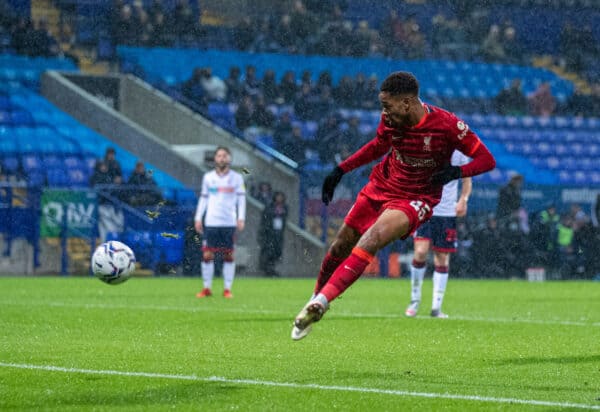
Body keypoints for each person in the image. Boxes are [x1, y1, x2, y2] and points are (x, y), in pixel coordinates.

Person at [291, 71, 495, 340]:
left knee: (372, 238)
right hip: (381, 185)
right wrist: (340, 170)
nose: (384, 112)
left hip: (416, 197)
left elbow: (486, 159)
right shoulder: (390, 118)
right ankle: (315, 298)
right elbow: (378, 145)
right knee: (341, 243)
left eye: (388, 105)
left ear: (408, 103)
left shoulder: (447, 125)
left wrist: (457, 173)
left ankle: (323, 302)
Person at [405, 150, 472, 319]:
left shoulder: (459, 153)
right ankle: (415, 300)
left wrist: (463, 200)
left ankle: (436, 307)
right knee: (420, 252)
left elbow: (467, 179)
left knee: (442, 257)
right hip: (425, 208)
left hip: (447, 212)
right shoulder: (427, 146)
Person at [194, 146, 246, 298]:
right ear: (215, 159)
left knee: (229, 255)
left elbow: (241, 199)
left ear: (229, 158)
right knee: (207, 255)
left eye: (225, 156)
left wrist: (241, 217)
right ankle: (207, 288)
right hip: (211, 221)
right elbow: (204, 198)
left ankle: (227, 289)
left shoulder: (237, 178)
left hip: (229, 221)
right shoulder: (208, 177)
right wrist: (198, 217)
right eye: (219, 156)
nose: (222, 158)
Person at [258, 191, 288, 277]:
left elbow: (285, 216)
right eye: (278, 196)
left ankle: (272, 269)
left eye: (281, 197)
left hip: (279, 234)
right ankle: (267, 270)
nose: (279, 198)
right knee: (268, 252)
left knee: (276, 252)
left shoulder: (284, 207)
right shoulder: (269, 207)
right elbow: (265, 220)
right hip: (270, 234)